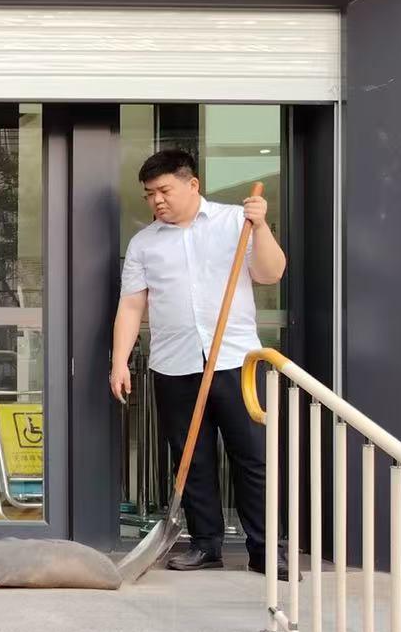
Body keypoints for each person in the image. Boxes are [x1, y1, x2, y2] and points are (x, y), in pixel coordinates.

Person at [112, 148, 289, 574]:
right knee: (191, 459)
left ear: (192, 184)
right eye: (149, 194)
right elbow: (132, 305)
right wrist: (119, 362)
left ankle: (266, 550)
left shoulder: (236, 222)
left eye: (164, 190)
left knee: (252, 458)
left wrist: (261, 226)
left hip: (236, 361)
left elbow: (271, 273)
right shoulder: (144, 244)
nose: (156, 200)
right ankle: (206, 545)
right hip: (174, 365)